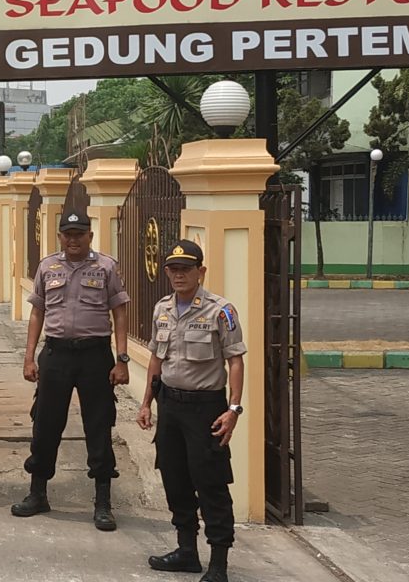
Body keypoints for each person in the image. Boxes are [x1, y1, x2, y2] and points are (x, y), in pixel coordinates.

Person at [11, 208, 131, 531]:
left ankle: (103, 502)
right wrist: (28, 357)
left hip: (95, 357)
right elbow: (37, 312)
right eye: (68, 234)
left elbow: (119, 312)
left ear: (90, 236)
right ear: (60, 237)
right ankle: (38, 493)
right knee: (46, 423)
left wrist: (122, 359)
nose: (73, 240)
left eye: (79, 234)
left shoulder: (106, 267)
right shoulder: (47, 267)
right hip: (56, 354)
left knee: (99, 425)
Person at [136, 240, 246, 582]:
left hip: (205, 410)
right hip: (170, 406)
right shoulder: (162, 308)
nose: (179, 275)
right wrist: (146, 403)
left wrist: (233, 409)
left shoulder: (220, 310)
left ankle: (219, 564)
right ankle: (187, 551)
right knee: (175, 479)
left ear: (201, 271)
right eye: (173, 269)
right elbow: (156, 358)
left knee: (211, 482)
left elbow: (236, 360)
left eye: (186, 269)